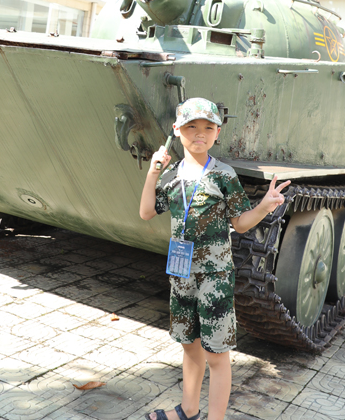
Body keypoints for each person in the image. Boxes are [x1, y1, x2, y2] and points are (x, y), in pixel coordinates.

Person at [139, 98, 290, 420]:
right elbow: (147, 212)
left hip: (214, 277)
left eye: (208, 128)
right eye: (191, 126)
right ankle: (188, 409)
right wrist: (153, 173)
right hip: (181, 274)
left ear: (217, 133)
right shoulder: (173, 175)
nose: (200, 134)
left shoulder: (223, 175)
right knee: (189, 345)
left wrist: (264, 206)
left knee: (216, 354)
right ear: (176, 130)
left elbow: (240, 224)